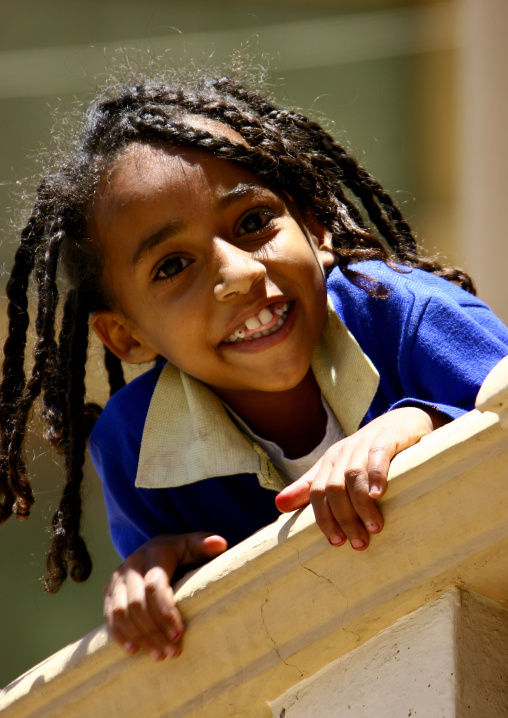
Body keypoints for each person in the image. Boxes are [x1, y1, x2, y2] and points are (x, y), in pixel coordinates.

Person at [1, 75, 507, 663]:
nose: (238, 274)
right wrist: (148, 582)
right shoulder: (135, 450)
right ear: (126, 335)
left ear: (316, 224)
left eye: (252, 222)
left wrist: (420, 423)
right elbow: (203, 641)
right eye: (172, 267)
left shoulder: (401, 311)